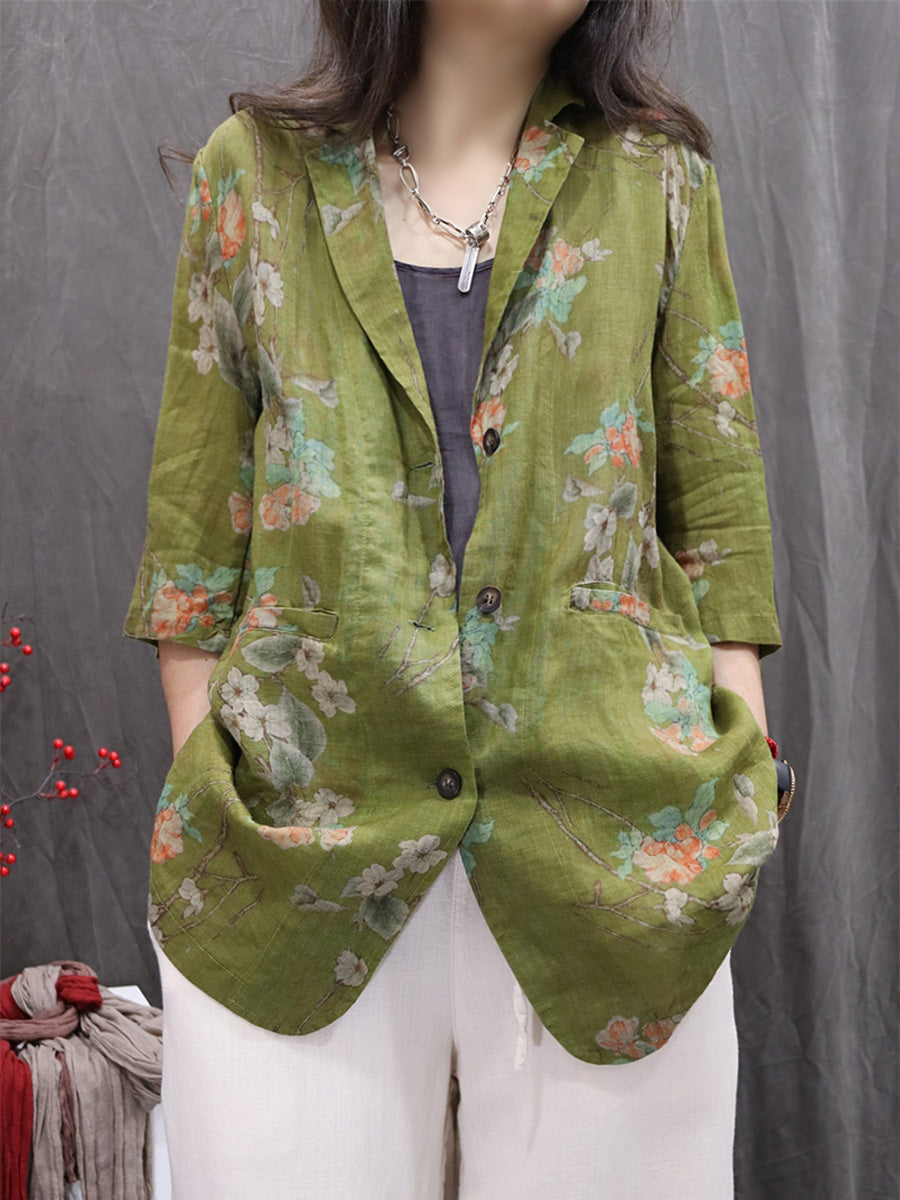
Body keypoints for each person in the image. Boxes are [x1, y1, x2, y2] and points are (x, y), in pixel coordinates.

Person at [123, 1, 796, 1196]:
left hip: (619, 854)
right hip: (296, 849)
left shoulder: (657, 179)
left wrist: (733, 798)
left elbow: (721, 530)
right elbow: (192, 546)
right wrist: (210, 784)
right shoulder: (256, 176)